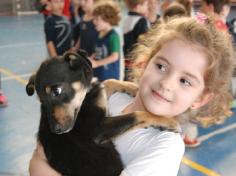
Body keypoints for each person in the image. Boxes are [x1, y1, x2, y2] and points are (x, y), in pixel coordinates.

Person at [29, 15, 234, 175]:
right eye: (161, 66)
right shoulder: (115, 97)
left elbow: (39, 160)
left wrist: (39, 165)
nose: (166, 83)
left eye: (185, 81)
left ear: (200, 98)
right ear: (144, 63)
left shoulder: (165, 147)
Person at [89, 1, 121, 81]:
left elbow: (115, 56)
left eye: (97, 19)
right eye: (93, 19)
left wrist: (97, 63)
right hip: (98, 75)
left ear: (107, 19)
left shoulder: (113, 36)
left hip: (109, 78)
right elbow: (98, 52)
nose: (94, 21)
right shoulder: (98, 34)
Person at [123, 0, 150, 81]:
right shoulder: (141, 21)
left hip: (125, 59)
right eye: (146, 4)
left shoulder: (126, 17)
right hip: (134, 60)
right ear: (138, 6)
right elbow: (144, 42)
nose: (147, 6)